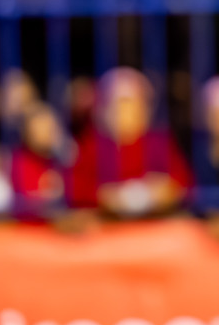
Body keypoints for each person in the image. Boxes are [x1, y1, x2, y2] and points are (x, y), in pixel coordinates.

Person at [70, 67, 192, 217]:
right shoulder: (92, 144)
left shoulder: (160, 142)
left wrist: (167, 189)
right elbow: (75, 187)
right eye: (121, 103)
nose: (128, 111)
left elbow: (184, 182)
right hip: (107, 226)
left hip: (154, 224)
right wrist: (104, 195)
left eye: (135, 103)